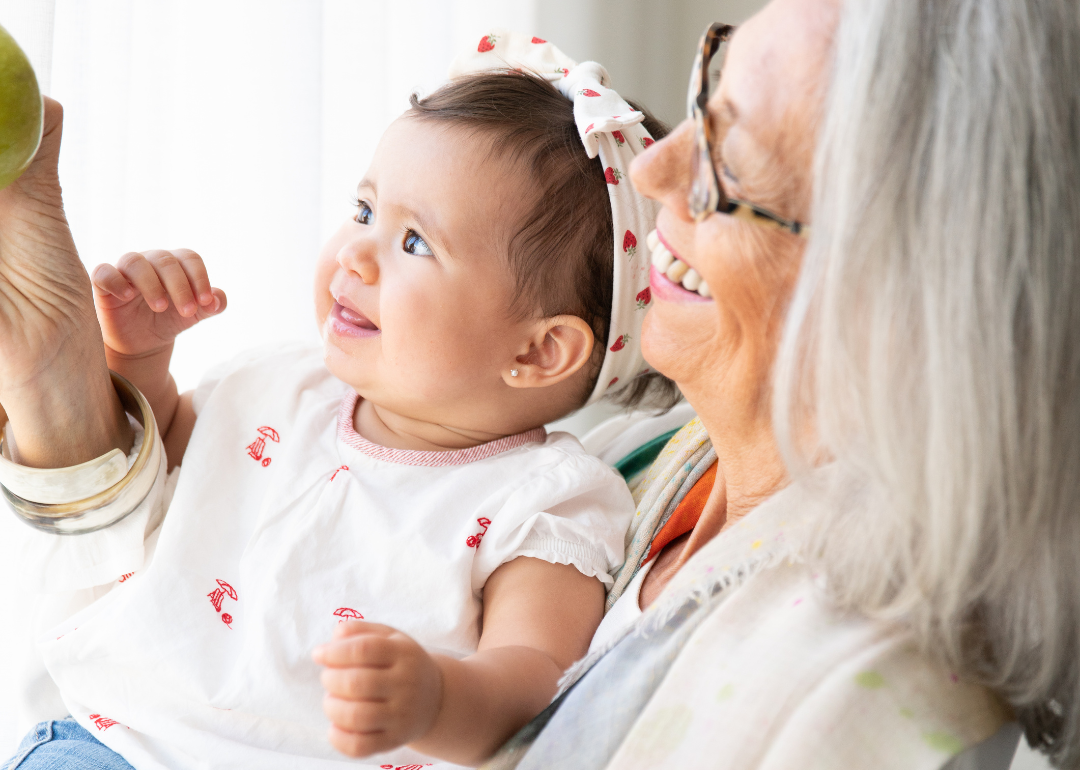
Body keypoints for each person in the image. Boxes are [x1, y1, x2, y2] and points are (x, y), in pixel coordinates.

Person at [0, 36, 678, 770]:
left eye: (415, 242)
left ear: (537, 352)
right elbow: (155, 467)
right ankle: (53, 355)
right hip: (118, 742)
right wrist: (139, 357)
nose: (355, 254)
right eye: (364, 211)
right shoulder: (278, 383)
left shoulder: (546, 503)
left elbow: (532, 674)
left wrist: (437, 699)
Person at [477, 0, 1080, 768]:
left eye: (734, 159)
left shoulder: (863, 698)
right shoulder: (650, 461)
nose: (653, 166)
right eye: (708, 98)